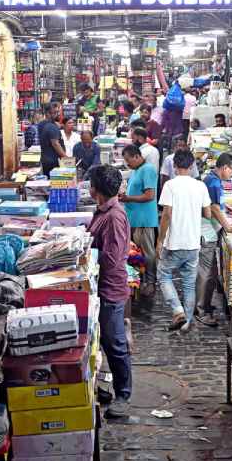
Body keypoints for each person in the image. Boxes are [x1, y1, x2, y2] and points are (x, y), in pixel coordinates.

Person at [87, 164, 133, 419]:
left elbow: (113, 258)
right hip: (100, 287)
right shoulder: (104, 211)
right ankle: (104, 386)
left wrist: (86, 254)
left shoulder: (114, 216)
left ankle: (123, 394)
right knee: (102, 340)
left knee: (115, 344)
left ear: (96, 189)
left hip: (110, 288)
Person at [156, 149, 213, 334]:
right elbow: (208, 213)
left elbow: (166, 215)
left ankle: (178, 311)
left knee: (164, 275)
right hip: (193, 243)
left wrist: (160, 240)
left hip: (174, 243)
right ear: (192, 166)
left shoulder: (170, 186)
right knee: (189, 283)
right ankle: (187, 322)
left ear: (174, 165)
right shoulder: (200, 186)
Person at [196, 153, 232, 327]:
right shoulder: (214, 182)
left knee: (210, 271)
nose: (231, 174)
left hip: (209, 231)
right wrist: (229, 227)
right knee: (207, 272)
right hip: (207, 233)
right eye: (231, 171)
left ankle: (204, 306)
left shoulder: (211, 180)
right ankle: (202, 310)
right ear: (225, 168)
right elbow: (215, 209)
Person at [119, 145, 158, 298]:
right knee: (137, 252)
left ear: (136, 156)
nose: (127, 164)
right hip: (135, 217)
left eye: (129, 161)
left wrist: (128, 198)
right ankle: (140, 280)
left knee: (148, 253)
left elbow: (149, 195)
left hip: (144, 219)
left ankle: (151, 282)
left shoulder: (148, 170)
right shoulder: (136, 170)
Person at [39, 102, 68, 177]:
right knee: (56, 184)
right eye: (55, 112)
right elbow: (55, 144)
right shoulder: (52, 127)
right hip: (53, 161)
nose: (58, 114)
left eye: (58, 111)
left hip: (45, 159)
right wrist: (66, 158)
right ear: (48, 114)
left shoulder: (42, 124)